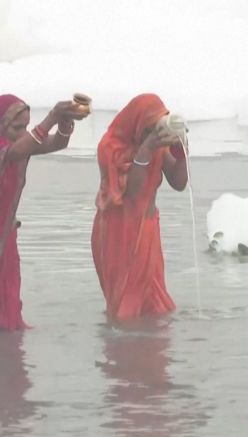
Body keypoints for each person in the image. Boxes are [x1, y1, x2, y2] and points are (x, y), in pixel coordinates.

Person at [0, 94, 88, 333]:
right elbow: (20, 149)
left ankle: (6, 343)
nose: (21, 132)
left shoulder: (10, 145)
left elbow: (55, 143)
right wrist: (50, 118)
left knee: (7, 294)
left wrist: (64, 125)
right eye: (16, 127)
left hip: (3, 231)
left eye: (25, 127)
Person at [91, 93, 188, 322]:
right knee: (125, 305)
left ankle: (150, 352)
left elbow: (179, 183)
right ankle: (122, 351)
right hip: (118, 232)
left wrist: (182, 150)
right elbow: (133, 193)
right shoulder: (110, 147)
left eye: (156, 130)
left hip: (147, 230)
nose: (152, 136)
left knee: (155, 305)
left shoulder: (158, 147)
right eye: (147, 130)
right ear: (135, 124)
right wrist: (145, 149)